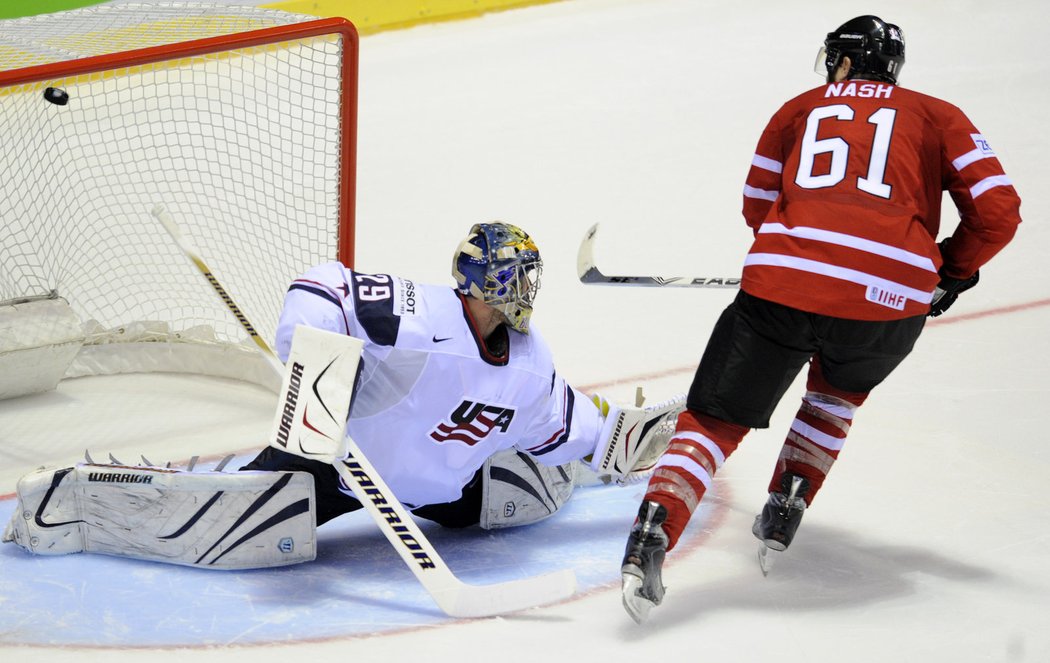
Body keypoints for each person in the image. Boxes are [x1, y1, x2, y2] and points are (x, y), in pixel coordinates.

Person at [619, 15, 1022, 623]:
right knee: (835, 397)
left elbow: (757, 204)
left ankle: (655, 525)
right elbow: (999, 212)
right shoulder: (940, 115)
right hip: (889, 301)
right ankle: (788, 503)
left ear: (840, 61)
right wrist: (952, 273)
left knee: (714, 421)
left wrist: (799, 261)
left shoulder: (798, 108)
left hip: (783, 286)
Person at [4, 222, 681, 568]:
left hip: (447, 493)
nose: (520, 293)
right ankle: (76, 502)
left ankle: (535, 475)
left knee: (527, 496)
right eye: (509, 279)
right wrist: (318, 357)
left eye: (526, 279)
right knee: (238, 526)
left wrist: (683, 427)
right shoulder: (415, 318)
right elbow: (322, 285)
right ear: (474, 280)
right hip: (339, 469)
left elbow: (592, 433)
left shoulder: (532, 370)